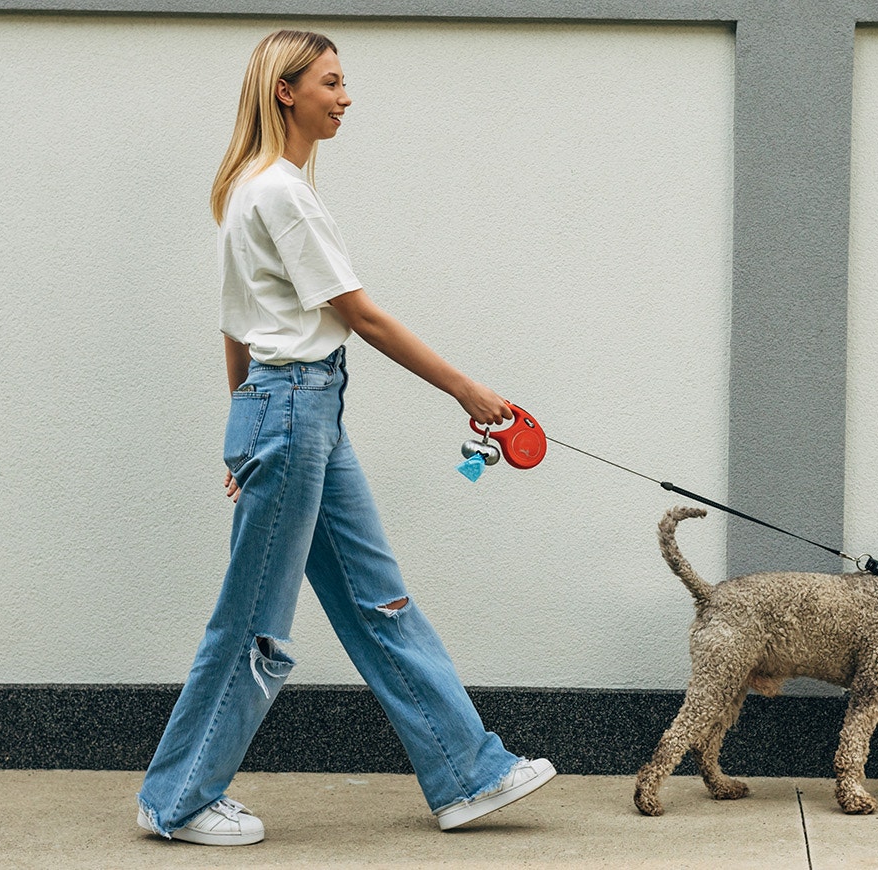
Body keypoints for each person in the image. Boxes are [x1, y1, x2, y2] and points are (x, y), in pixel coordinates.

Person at [136, 28, 555, 845]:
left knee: (377, 600)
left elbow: (236, 331)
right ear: (285, 91)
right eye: (331, 82)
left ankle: (467, 772)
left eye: (345, 81)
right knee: (252, 618)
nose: (346, 96)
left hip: (294, 414)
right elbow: (358, 317)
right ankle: (177, 798)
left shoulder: (253, 191)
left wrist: (241, 432)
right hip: (293, 412)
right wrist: (468, 390)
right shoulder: (279, 193)